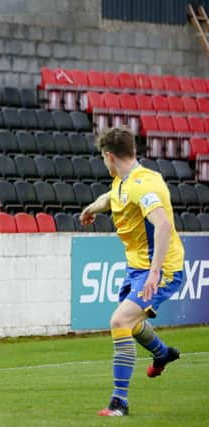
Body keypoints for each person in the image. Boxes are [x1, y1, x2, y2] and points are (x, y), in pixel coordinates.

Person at [79, 127, 184, 417]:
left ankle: (119, 403)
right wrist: (91, 209)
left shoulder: (142, 186)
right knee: (133, 324)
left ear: (109, 156)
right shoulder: (126, 181)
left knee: (120, 320)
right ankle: (162, 353)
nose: (104, 162)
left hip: (160, 270)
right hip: (138, 268)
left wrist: (154, 274)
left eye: (103, 158)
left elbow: (162, 226)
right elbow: (111, 198)